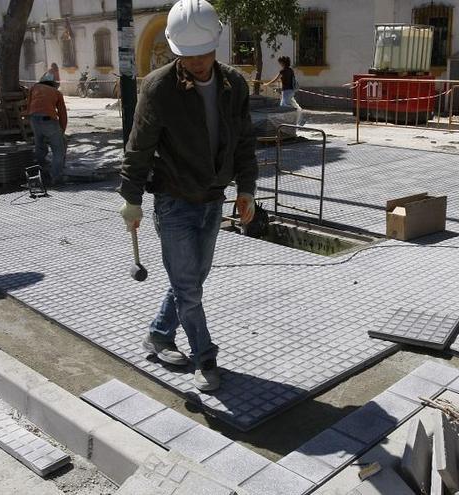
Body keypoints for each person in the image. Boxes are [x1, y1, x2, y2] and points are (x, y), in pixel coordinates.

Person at [118, 0, 258, 392]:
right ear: (176, 50)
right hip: (174, 200)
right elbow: (139, 146)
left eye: (205, 54)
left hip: (213, 198)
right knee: (189, 288)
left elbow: (245, 142)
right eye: (189, 56)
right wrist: (131, 198)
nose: (198, 63)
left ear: (216, 44)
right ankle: (205, 359)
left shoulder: (234, 84)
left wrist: (246, 189)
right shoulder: (158, 87)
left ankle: (159, 335)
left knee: (190, 280)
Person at [26, 74, 67, 185]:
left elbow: (28, 106)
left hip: (34, 119)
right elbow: (62, 114)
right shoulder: (57, 93)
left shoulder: (34, 88)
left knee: (40, 148)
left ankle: (41, 175)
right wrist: (62, 131)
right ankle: (56, 177)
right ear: (53, 84)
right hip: (49, 121)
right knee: (58, 151)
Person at [264, 55, 305, 126]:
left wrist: (267, 84)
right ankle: (300, 117)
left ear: (283, 63)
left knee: (284, 106)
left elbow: (276, 79)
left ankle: (287, 121)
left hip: (286, 91)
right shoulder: (290, 70)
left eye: (280, 62)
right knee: (292, 104)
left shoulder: (283, 71)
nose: (279, 64)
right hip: (291, 90)